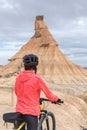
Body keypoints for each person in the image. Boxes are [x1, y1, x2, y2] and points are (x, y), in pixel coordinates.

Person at [14, 54, 63, 130]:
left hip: (19, 110)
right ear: (35, 66)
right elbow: (48, 93)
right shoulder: (36, 78)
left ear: (25, 65)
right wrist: (56, 99)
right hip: (31, 112)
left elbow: (17, 92)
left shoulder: (18, 78)